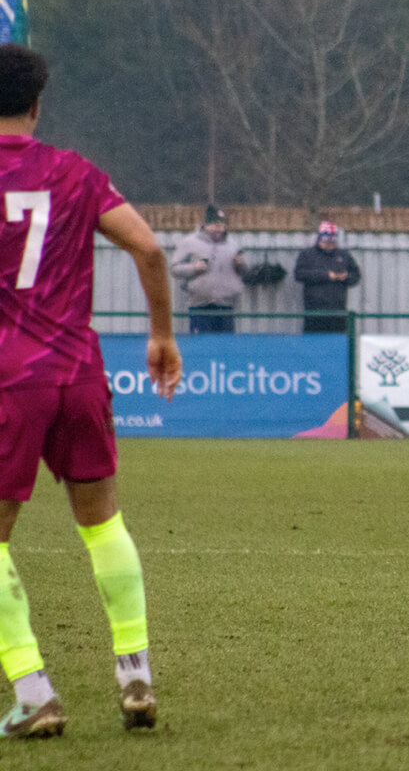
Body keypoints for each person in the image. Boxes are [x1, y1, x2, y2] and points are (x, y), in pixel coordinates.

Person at [0, 44, 181, 738]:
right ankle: (135, 672)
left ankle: (34, 692)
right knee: (102, 519)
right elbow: (151, 249)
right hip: (77, 370)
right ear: (37, 106)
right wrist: (161, 335)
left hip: (8, 380)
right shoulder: (75, 172)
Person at [170, 203, 247, 334]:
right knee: (201, 349)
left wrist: (240, 265)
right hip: (200, 306)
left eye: (223, 226)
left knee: (225, 349)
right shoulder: (190, 242)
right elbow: (174, 268)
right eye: (216, 226)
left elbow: (244, 272)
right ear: (206, 225)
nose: (220, 230)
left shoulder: (233, 245)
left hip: (225, 306)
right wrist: (194, 268)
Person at [293, 220, 361, 333]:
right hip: (314, 311)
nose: (329, 244)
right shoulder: (308, 255)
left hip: (338, 311)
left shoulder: (344, 255)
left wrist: (346, 277)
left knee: (338, 341)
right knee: (314, 341)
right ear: (319, 238)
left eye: (331, 240)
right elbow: (299, 274)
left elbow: (356, 276)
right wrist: (326, 276)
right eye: (326, 240)